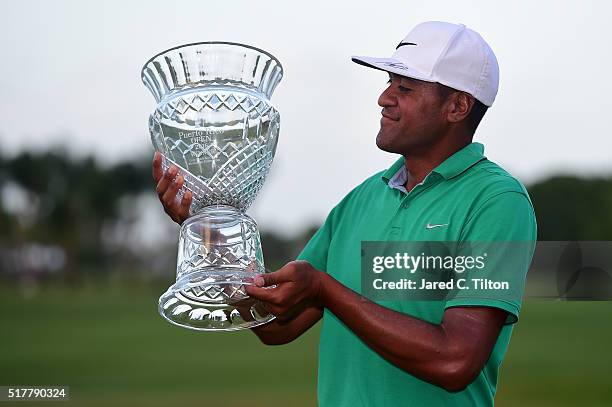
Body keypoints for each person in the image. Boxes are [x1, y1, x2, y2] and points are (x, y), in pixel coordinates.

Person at [152, 21, 537, 407]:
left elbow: (456, 360)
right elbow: (276, 325)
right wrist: (206, 229)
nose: (384, 98)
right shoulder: (361, 200)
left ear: (457, 107)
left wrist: (325, 289)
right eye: (389, 83)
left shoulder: (497, 201)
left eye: (405, 88)